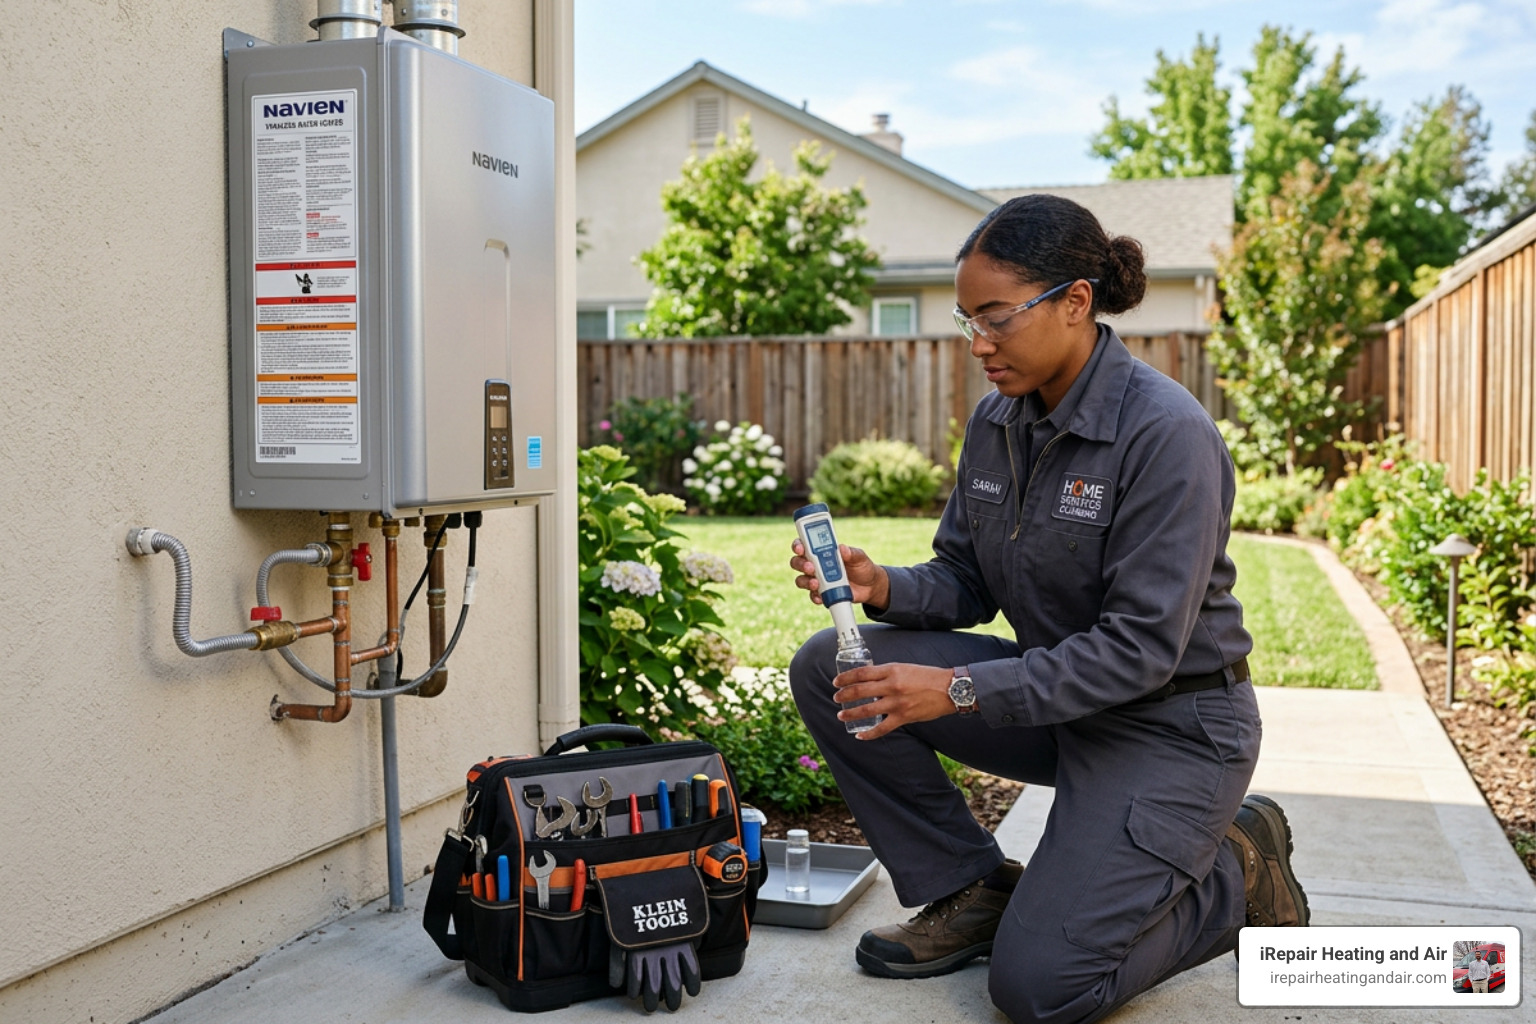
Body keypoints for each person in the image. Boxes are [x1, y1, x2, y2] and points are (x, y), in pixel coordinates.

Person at [787, 194, 1309, 1024]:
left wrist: (958, 691)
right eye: (967, 321)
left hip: (1171, 728)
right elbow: (966, 578)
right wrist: (881, 585)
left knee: (1041, 989)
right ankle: (974, 888)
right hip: (1060, 706)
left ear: (1075, 301)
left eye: (995, 317)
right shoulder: (998, 422)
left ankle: (1235, 868)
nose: (978, 344)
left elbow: (1140, 649)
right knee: (831, 665)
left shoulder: (1165, 434)